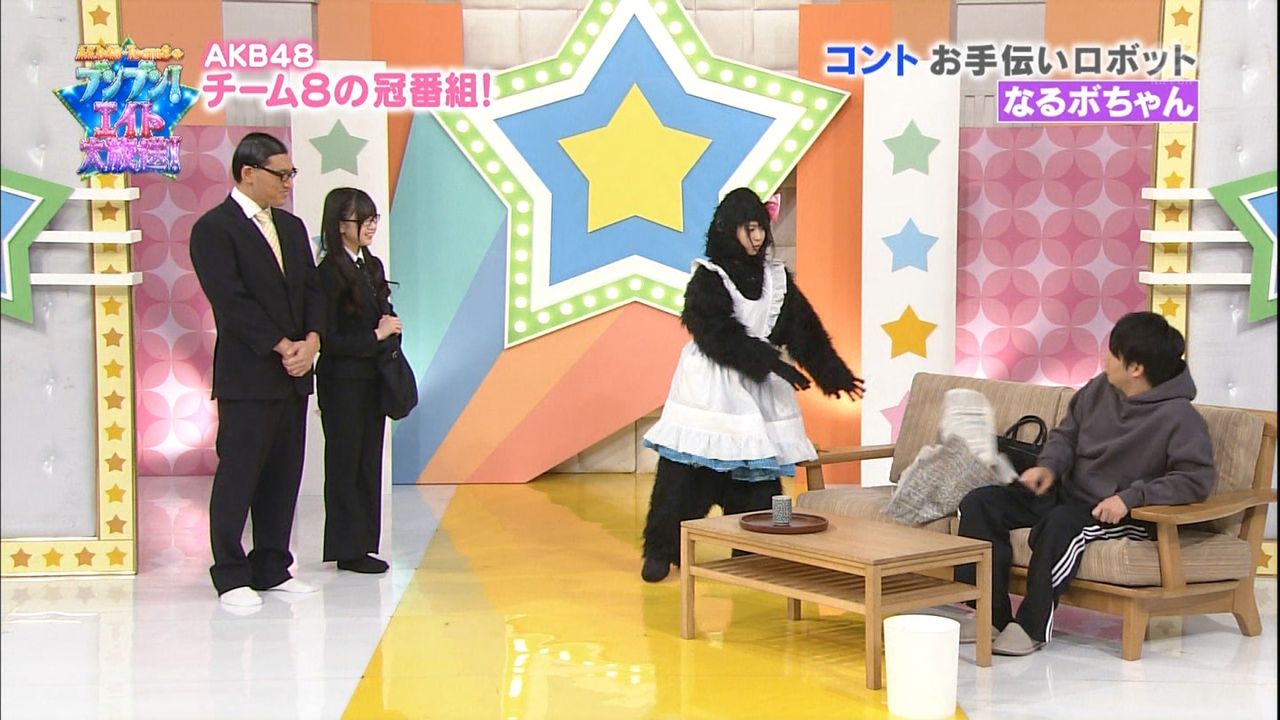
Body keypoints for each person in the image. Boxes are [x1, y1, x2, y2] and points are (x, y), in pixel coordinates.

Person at [955, 311, 1215, 655]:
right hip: (1067, 493)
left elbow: (1195, 480)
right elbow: (1066, 435)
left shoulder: (1181, 418)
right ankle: (991, 616)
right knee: (980, 503)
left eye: (1113, 354)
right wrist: (1049, 467)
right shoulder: (1098, 388)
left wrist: (1131, 498)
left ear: (1136, 368)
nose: (1105, 360)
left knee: (1060, 525)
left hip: (1120, 513)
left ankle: (1032, 627)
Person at [640, 188, 866, 582]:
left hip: (759, 389)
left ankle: (760, 545)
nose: (758, 237)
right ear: (728, 229)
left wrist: (833, 374)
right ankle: (661, 549)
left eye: (761, 227)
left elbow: (806, 332)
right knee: (685, 473)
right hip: (713, 388)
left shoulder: (776, 280)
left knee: (762, 474)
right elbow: (716, 334)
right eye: (749, 228)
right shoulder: (708, 277)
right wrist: (772, 365)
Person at [189, 132, 324, 608]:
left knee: (284, 475)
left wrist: (312, 341)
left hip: (295, 374)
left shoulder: (291, 227)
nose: (288, 183)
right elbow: (231, 301)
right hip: (248, 376)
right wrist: (282, 345)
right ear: (248, 173)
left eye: (291, 174)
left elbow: (312, 291)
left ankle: (272, 565)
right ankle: (230, 572)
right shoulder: (214, 228)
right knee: (239, 474)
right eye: (280, 174)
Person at [315, 188, 400, 574]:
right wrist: (375, 336)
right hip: (342, 382)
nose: (370, 226)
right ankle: (346, 547)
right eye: (362, 219)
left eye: (373, 219)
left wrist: (390, 328)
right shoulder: (328, 273)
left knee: (368, 461)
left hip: (373, 378)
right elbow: (329, 339)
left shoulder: (372, 265)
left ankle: (364, 543)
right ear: (339, 225)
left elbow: (384, 314)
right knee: (345, 461)